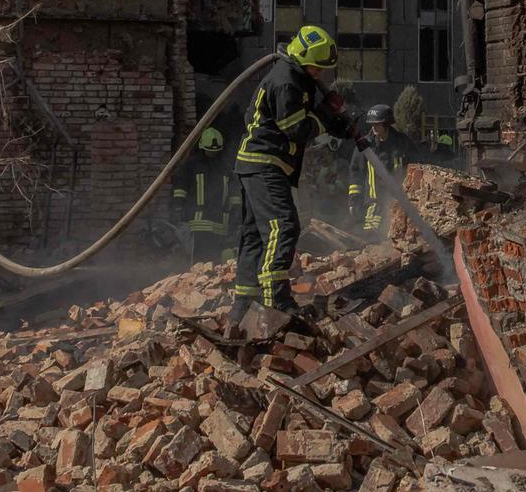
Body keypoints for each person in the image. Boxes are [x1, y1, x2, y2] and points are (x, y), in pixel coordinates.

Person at [230, 26, 354, 324]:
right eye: (318, 68)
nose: (320, 75)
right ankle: (276, 301)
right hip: (264, 162)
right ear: (303, 58)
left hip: (257, 163)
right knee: (283, 226)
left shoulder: (295, 77)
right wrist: (327, 116)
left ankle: (243, 305)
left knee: (256, 236)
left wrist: (336, 124)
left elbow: (306, 117)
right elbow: (297, 129)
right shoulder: (287, 81)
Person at [172, 127, 240, 265]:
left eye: (216, 151)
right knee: (200, 263)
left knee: (218, 262)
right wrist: (178, 207)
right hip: (199, 224)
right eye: (210, 151)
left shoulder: (225, 167)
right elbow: (180, 187)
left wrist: (236, 213)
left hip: (221, 224)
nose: (213, 154)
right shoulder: (192, 165)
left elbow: (234, 194)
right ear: (202, 148)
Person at [347, 104, 412, 235]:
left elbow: (415, 165)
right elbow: (356, 172)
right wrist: (354, 200)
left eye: (377, 124)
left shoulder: (402, 142)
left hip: (398, 203)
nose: (373, 127)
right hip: (373, 203)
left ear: (387, 124)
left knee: (399, 236)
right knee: (371, 237)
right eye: (372, 124)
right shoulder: (365, 144)